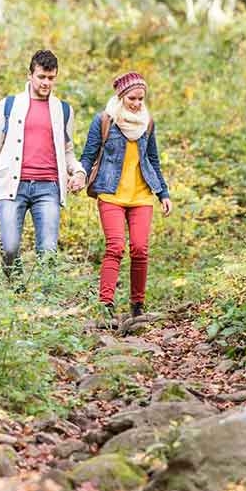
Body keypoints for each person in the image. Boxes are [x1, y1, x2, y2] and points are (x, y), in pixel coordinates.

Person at [0, 49, 87, 279]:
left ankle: (45, 304)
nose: (46, 83)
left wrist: (79, 171)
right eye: (41, 77)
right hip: (13, 187)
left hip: (48, 188)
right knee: (10, 247)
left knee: (48, 251)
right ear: (30, 75)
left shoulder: (63, 110)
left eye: (51, 78)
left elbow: (68, 152)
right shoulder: (9, 106)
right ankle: (17, 292)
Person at [79, 71, 171, 318]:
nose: (137, 103)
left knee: (140, 248)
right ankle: (106, 305)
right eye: (132, 98)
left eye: (141, 99)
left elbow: (153, 159)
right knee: (115, 247)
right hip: (111, 194)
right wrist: (79, 175)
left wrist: (163, 193)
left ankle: (137, 306)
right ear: (121, 97)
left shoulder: (147, 123)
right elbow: (88, 155)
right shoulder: (104, 121)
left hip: (142, 196)